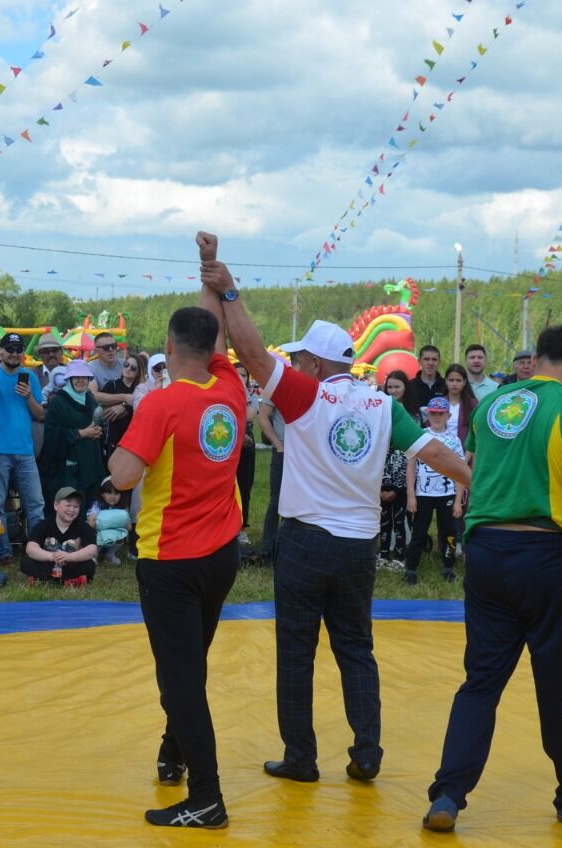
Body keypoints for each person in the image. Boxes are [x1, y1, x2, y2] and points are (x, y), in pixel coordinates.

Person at [200, 235, 469, 793]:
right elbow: (436, 454)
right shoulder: (383, 405)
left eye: (299, 359)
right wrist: (485, 487)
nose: (294, 364)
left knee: (295, 650)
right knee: (356, 648)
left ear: (316, 363)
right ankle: (367, 752)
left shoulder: (304, 395)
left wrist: (228, 293)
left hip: (304, 541)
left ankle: (301, 756)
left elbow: (250, 353)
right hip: (359, 546)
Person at [423, 324, 562, 833]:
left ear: (541, 357)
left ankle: (448, 793)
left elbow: (480, 471)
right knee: (558, 683)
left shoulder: (494, 405)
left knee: (481, 680)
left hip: (487, 553)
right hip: (547, 556)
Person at [106, 274, 245, 830]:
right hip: (221, 557)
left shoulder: (161, 405)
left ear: (167, 349)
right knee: (189, 662)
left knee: (180, 677)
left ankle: (207, 798)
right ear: (215, 351)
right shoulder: (230, 391)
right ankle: (174, 751)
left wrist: (122, 441)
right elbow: (217, 338)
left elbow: (121, 477)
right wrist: (210, 268)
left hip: (170, 561)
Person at [0, 333, 46, 564]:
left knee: (35, 503)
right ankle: (3, 551)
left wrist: (29, 397)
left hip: (25, 451)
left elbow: (40, 414)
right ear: (1, 350)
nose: (15, 353)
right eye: (10, 349)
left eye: (18, 349)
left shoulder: (29, 376)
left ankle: (36, 550)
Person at [404, 397, 465, 584]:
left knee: (448, 531)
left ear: (448, 415)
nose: (437, 417)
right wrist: (411, 496)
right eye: (433, 413)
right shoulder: (420, 436)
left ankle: (448, 566)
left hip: (447, 494)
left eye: (441, 413)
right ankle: (411, 568)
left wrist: (457, 500)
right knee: (419, 531)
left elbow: (459, 470)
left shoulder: (453, 440)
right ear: (427, 414)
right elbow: (411, 466)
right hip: (423, 494)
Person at [39, 359, 105, 519]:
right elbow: (51, 436)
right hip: (67, 469)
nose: (80, 380)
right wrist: (80, 433)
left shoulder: (90, 399)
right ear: (69, 379)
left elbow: (97, 424)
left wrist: (97, 431)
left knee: (88, 507)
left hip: (90, 463)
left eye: (84, 377)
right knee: (69, 508)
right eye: (76, 377)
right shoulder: (58, 402)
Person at [23, 486, 99, 586]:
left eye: (76, 506)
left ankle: (45, 580)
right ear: (56, 505)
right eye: (68, 505)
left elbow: (92, 549)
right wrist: (52, 557)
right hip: (49, 563)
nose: (72, 509)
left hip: (71, 563)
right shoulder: (43, 525)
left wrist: (69, 557)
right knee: (26, 562)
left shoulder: (84, 526)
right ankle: (69, 581)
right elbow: (31, 548)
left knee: (89, 565)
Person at [377, 371, 411, 570]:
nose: (393, 391)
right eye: (389, 387)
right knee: (383, 520)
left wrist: (399, 485)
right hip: (381, 475)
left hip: (403, 475)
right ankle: (382, 555)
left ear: (405, 387)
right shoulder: (378, 412)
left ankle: (400, 556)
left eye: (397, 386)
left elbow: (411, 451)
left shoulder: (411, 414)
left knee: (399, 519)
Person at [256, 392, 286, 565]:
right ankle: (268, 550)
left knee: (298, 503)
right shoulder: (277, 385)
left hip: (304, 454)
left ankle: (286, 548)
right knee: (277, 502)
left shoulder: (315, 383)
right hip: (283, 451)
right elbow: (263, 417)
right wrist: (278, 444)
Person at [101, 353, 144, 460]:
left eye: (133, 368)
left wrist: (125, 407)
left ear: (139, 372)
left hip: (134, 439)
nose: (128, 368)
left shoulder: (141, 389)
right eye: (126, 364)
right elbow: (102, 406)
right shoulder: (112, 385)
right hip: (114, 438)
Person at [235, 362, 260, 545]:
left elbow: (248, 415)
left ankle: (241, 528)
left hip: (246, 445)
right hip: (227, 443)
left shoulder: (252, 399)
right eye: (236, 375)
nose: (240, 378)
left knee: (244, 486)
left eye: (243, 375)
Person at [87, 479, 131, 564]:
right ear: (102, 494)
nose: (113, 496)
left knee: (122, 534)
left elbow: (128, 527)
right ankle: (93, 555)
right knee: (96, 537)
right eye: (109, 493)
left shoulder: (121, 508)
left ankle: (110, 554)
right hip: (99, 534)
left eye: (116, 493)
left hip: (114, 535)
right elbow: (91, 522)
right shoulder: (97, 505)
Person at [404, 345, 446, 416]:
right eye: (426, 359)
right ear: (419, 361)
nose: (430, 363)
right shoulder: (409, 386)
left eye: (434, 359)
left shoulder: (446, 385)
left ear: (439, 362)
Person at [443, 364, 478, 445]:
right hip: (442, 452)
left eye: (458, 380)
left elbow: (476, 435)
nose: (454, 384)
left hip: (464, 453)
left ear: (464, 382)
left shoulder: (473, 404)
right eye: (451, 380)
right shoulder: (439, 403)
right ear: (446, 381)